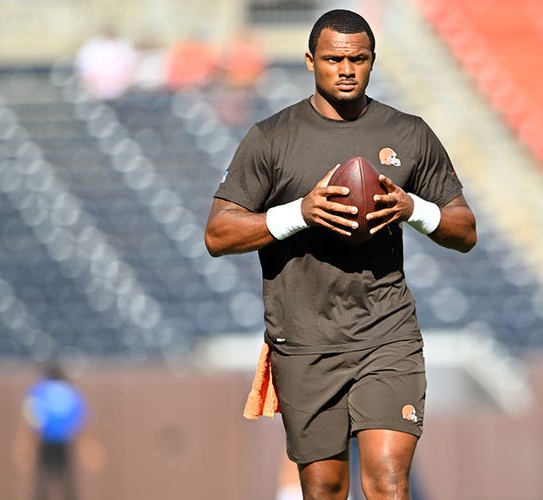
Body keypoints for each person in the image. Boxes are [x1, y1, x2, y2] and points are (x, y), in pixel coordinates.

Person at [204, 9, 476, 500]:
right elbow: (218, 234)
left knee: (389, 479)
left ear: (372, 61)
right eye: (334, 59)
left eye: (358, 59)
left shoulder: (409, 133)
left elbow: (465, 229)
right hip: (304, 339)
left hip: (386, 333)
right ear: (311, 61)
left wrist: (412, 208)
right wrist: (301, 213)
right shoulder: (271, 138)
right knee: (325, 487)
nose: (346, 69)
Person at [12, 362, 103, 500]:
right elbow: (82, 424)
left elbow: (31, 423)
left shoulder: (40, 391)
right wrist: (90, 450)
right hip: (62, 443)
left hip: (47, 443)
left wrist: (25, 446)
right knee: (66, 486)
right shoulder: (70, 392)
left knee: (43, 486)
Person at [74, 25, 137, 100]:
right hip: (96, 92)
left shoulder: (123, 45)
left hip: (121, 92)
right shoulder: (92, 46)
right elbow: (84, 70)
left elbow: (131, 68)